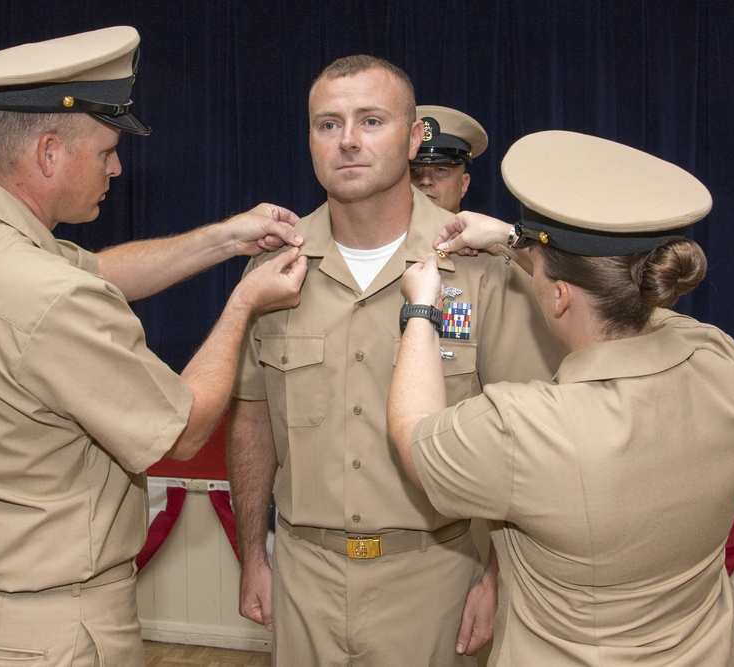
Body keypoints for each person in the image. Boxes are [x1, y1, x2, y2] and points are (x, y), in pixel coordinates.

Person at [0, 27, 308, 666]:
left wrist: (226, 239)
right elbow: (182, 430)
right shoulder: (50, 300)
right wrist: (244, 304)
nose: (116, 167)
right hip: (55, 632)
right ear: (48, 152)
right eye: (107, 150)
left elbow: (90, 272)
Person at [226, 55, 564, 665]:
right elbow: (253, 420)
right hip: (304, 579)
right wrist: (254, 554)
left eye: (371, 120)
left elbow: (528, 438)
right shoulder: (273, 269)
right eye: (328, 124)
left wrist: (497, 577)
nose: (348, 140)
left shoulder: (480, 270)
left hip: (436, 578)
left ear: (412, 138)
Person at [388, 130, 734, 666]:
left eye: (541, 272)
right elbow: (634, 305)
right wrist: (517, 240)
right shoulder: (724, 363)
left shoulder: (529, 427)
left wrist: (421, 312)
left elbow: (414, 434)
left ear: (559, 298)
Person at [410, 105, 488, 213]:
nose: (425, 181)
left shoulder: (487, 230)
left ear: (463, 185)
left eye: (440, 170)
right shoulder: (378, 230)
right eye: (413, 170)